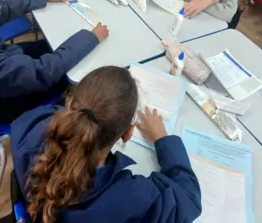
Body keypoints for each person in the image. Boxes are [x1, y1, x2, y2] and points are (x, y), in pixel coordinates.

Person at [10, 66, 202, 223]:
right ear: (127, 133)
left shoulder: (30, 127)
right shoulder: (129, 198)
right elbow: (189, 200)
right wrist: (163, 139)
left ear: (70, 104)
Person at [0, 0, 109, 122]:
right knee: (75, 73)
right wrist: (91, 38)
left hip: (5, 61)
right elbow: (43, 72)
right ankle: (59, 117)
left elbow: (6, 7)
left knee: (47, 46)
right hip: (4, 103)